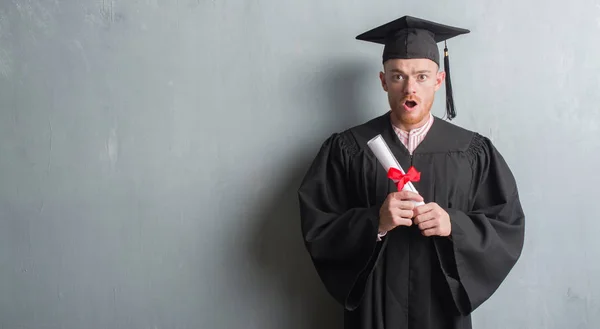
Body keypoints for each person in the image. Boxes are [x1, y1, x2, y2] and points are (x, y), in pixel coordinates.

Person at [297, 15, 525, 329]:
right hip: (375, 308)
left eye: (421, 76)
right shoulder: (349, 148)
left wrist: (453, 225)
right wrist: (374, 222)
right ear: (383, 81)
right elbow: (318, 226)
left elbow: (507, 226)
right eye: (398, 76)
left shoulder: (472, 151)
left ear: (438, 80)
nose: (409, 88)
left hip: (441, 308)